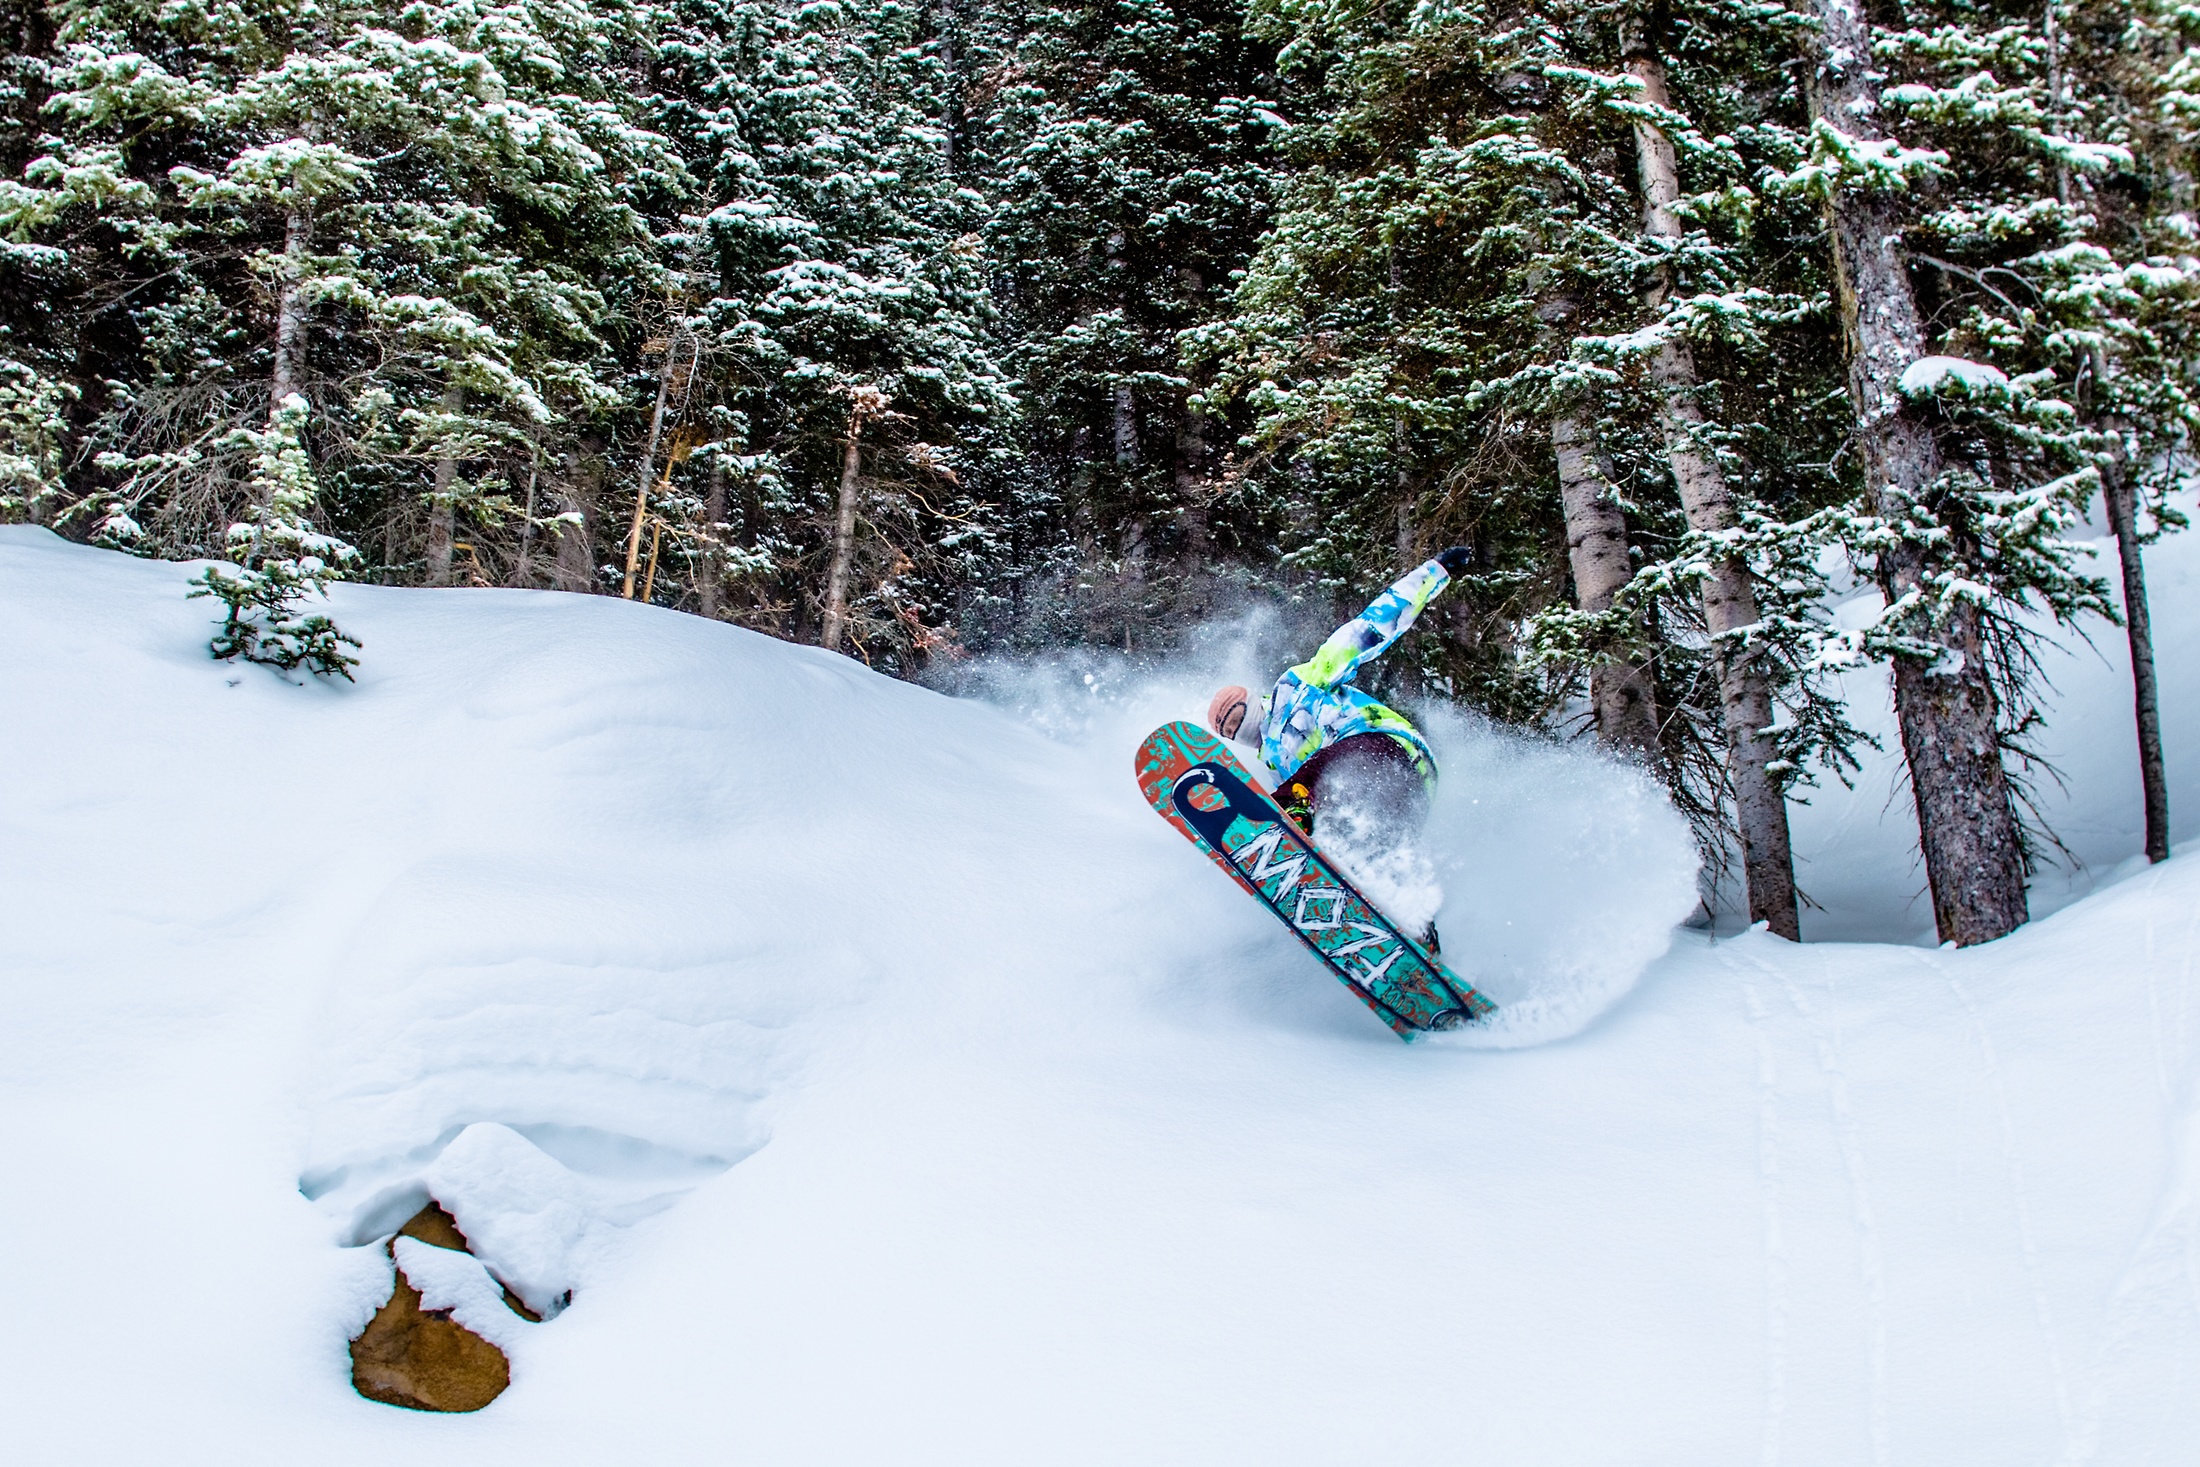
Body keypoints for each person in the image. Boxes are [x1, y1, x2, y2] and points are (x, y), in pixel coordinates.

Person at [1206, 546, 1474, 947]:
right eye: (1226, 729)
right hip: (1405, 793)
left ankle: (1291, 813)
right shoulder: (1276, 761)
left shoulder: (1301, 684)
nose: (1233, 728)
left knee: (1312, 781)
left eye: (1233, 714)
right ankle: (1416, 933)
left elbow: (1369, 627)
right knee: (1370, 856)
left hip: (1384, 751)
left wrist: (1434, 572)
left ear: (1251, 699)